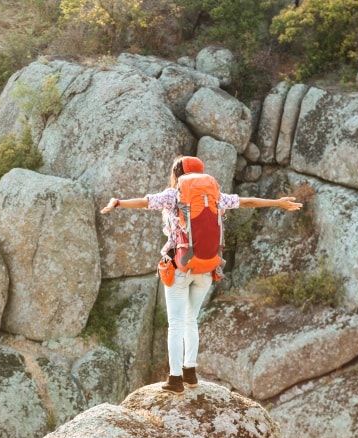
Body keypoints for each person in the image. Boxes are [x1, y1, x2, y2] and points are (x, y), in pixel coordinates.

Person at [101, 155, 302, 394]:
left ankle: (175, 379)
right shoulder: (215, 197)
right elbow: (247, 202)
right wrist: (278, 203)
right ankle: (190, 373)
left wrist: (119, 203)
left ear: (178, 173)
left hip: (180, 266)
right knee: (191, 320)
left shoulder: (173, 195)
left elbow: (146, 202)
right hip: (207, 268)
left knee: (175, 324)